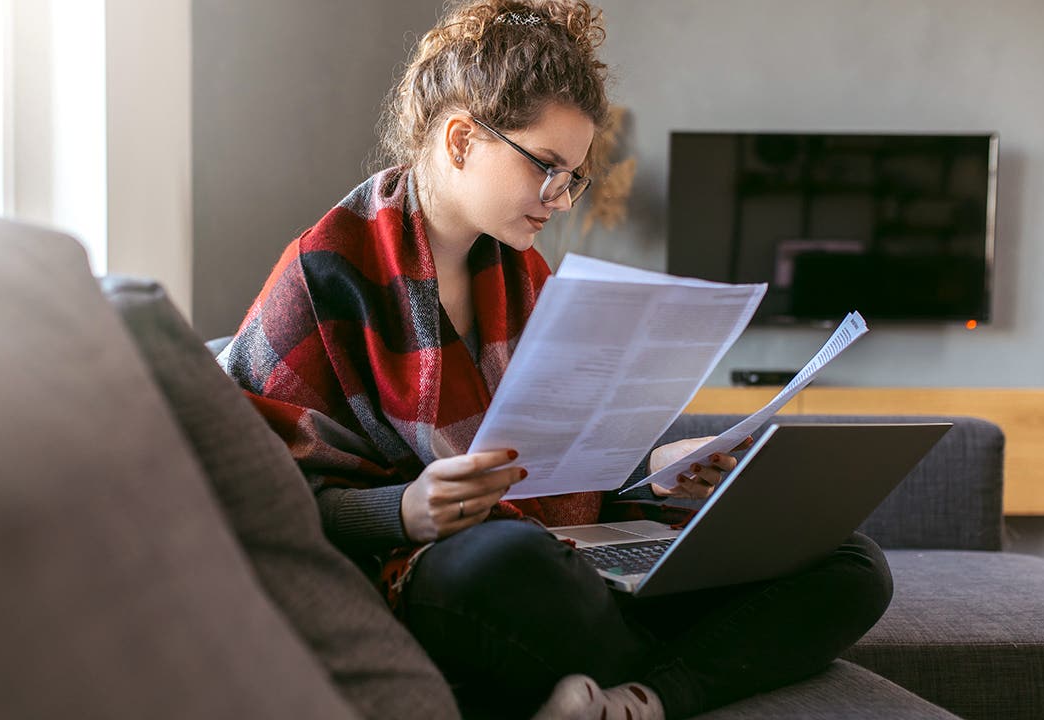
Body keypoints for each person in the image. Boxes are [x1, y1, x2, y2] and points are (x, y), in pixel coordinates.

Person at [220, 1, 893, 718]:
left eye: (571, 177)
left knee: (852, 563)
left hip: (565, 559)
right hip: (450, 569)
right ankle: (697, 665)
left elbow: (573, 467)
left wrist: (659, 474)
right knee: (500, 562)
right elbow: (260, 501)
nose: (560, 201)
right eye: (546, 167)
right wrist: (406, 508)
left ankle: (646, 696)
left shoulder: (524, 275)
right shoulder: (325, 274)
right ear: (459, 139)